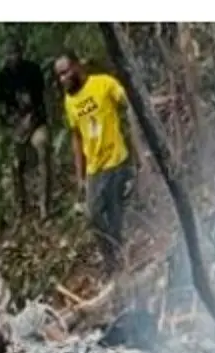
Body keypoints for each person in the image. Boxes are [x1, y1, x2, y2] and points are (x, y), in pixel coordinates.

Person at [54, 51, 141, 276]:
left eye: (65, 73)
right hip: (94, 168)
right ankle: (112, 261)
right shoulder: (69, 101)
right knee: (93, 216)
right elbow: (76, 138)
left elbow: (129, 101)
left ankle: (119, 265)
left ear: (77, 67)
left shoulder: (103, 84)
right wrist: (80, 175)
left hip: (115, 160)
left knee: (114, 215)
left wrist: (139, 147)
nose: (62, 79)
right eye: (59, 76)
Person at [0, 39, 51, 219]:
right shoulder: (3, 77)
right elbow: (2, 108)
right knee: (15, 164)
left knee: (42, 147)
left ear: (21, 53)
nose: (13, 58)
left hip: (36, 121)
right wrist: (14, 124)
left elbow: (41, 101)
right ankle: (22, 208)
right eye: (9, 55)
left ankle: (44, 205)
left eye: (15, 53)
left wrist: (32, 120)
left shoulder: (33, 70)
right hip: (16, 125)